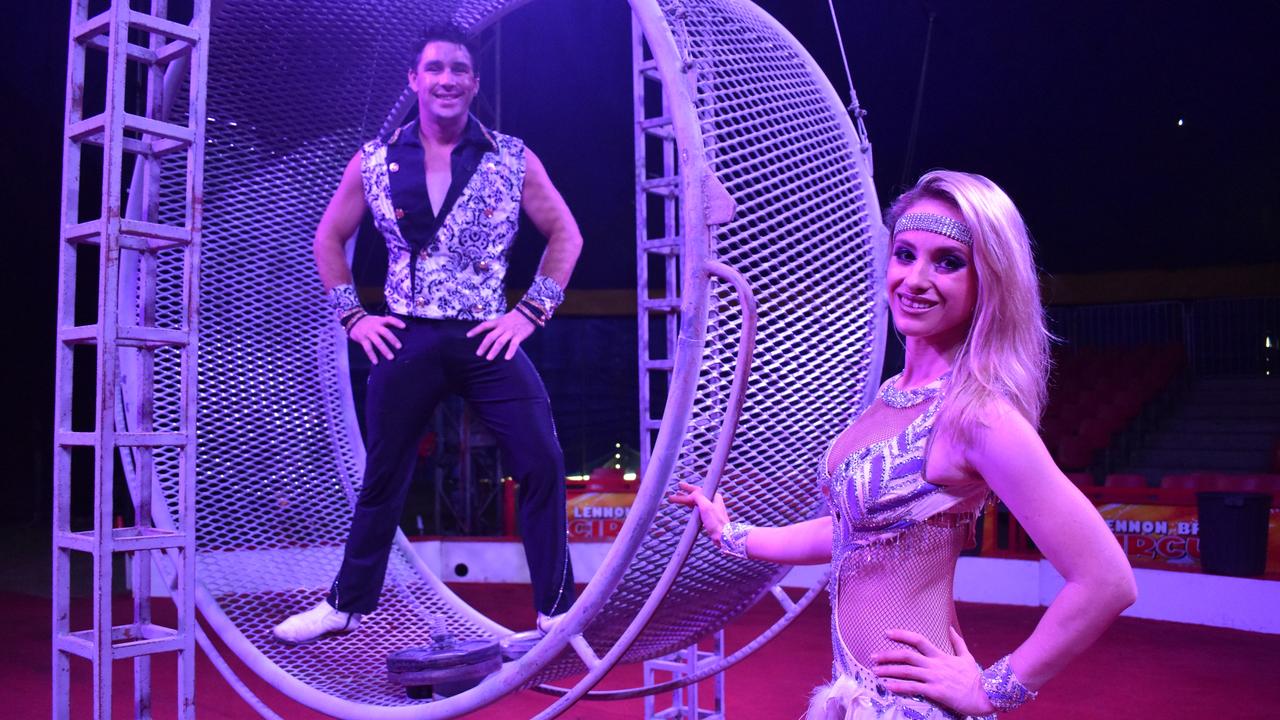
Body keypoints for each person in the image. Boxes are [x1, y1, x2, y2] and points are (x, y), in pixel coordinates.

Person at [672, 170, 1137, 718]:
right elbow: (849, 532)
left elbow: (1106, 580)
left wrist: (990, 691)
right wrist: (732, 535)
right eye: (905, 254)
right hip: (853, 697)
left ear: (989, 279)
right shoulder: (892, 395)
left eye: (947, 262)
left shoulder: (979, 415)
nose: (915, 279)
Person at [274, 24, 582, 647]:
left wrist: (528, 314)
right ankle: (346, 603)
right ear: (414, 80)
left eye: (459, 70)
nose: (446, 79)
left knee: (542, 462)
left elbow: (566, 236)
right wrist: (354, 318)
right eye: (434, 68)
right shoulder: (374, 161)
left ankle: (555, 610)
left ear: (472, 83)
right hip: (405, 337)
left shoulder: (510, 157)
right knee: (382, 475)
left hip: (485, 335)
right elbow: (328, 240)